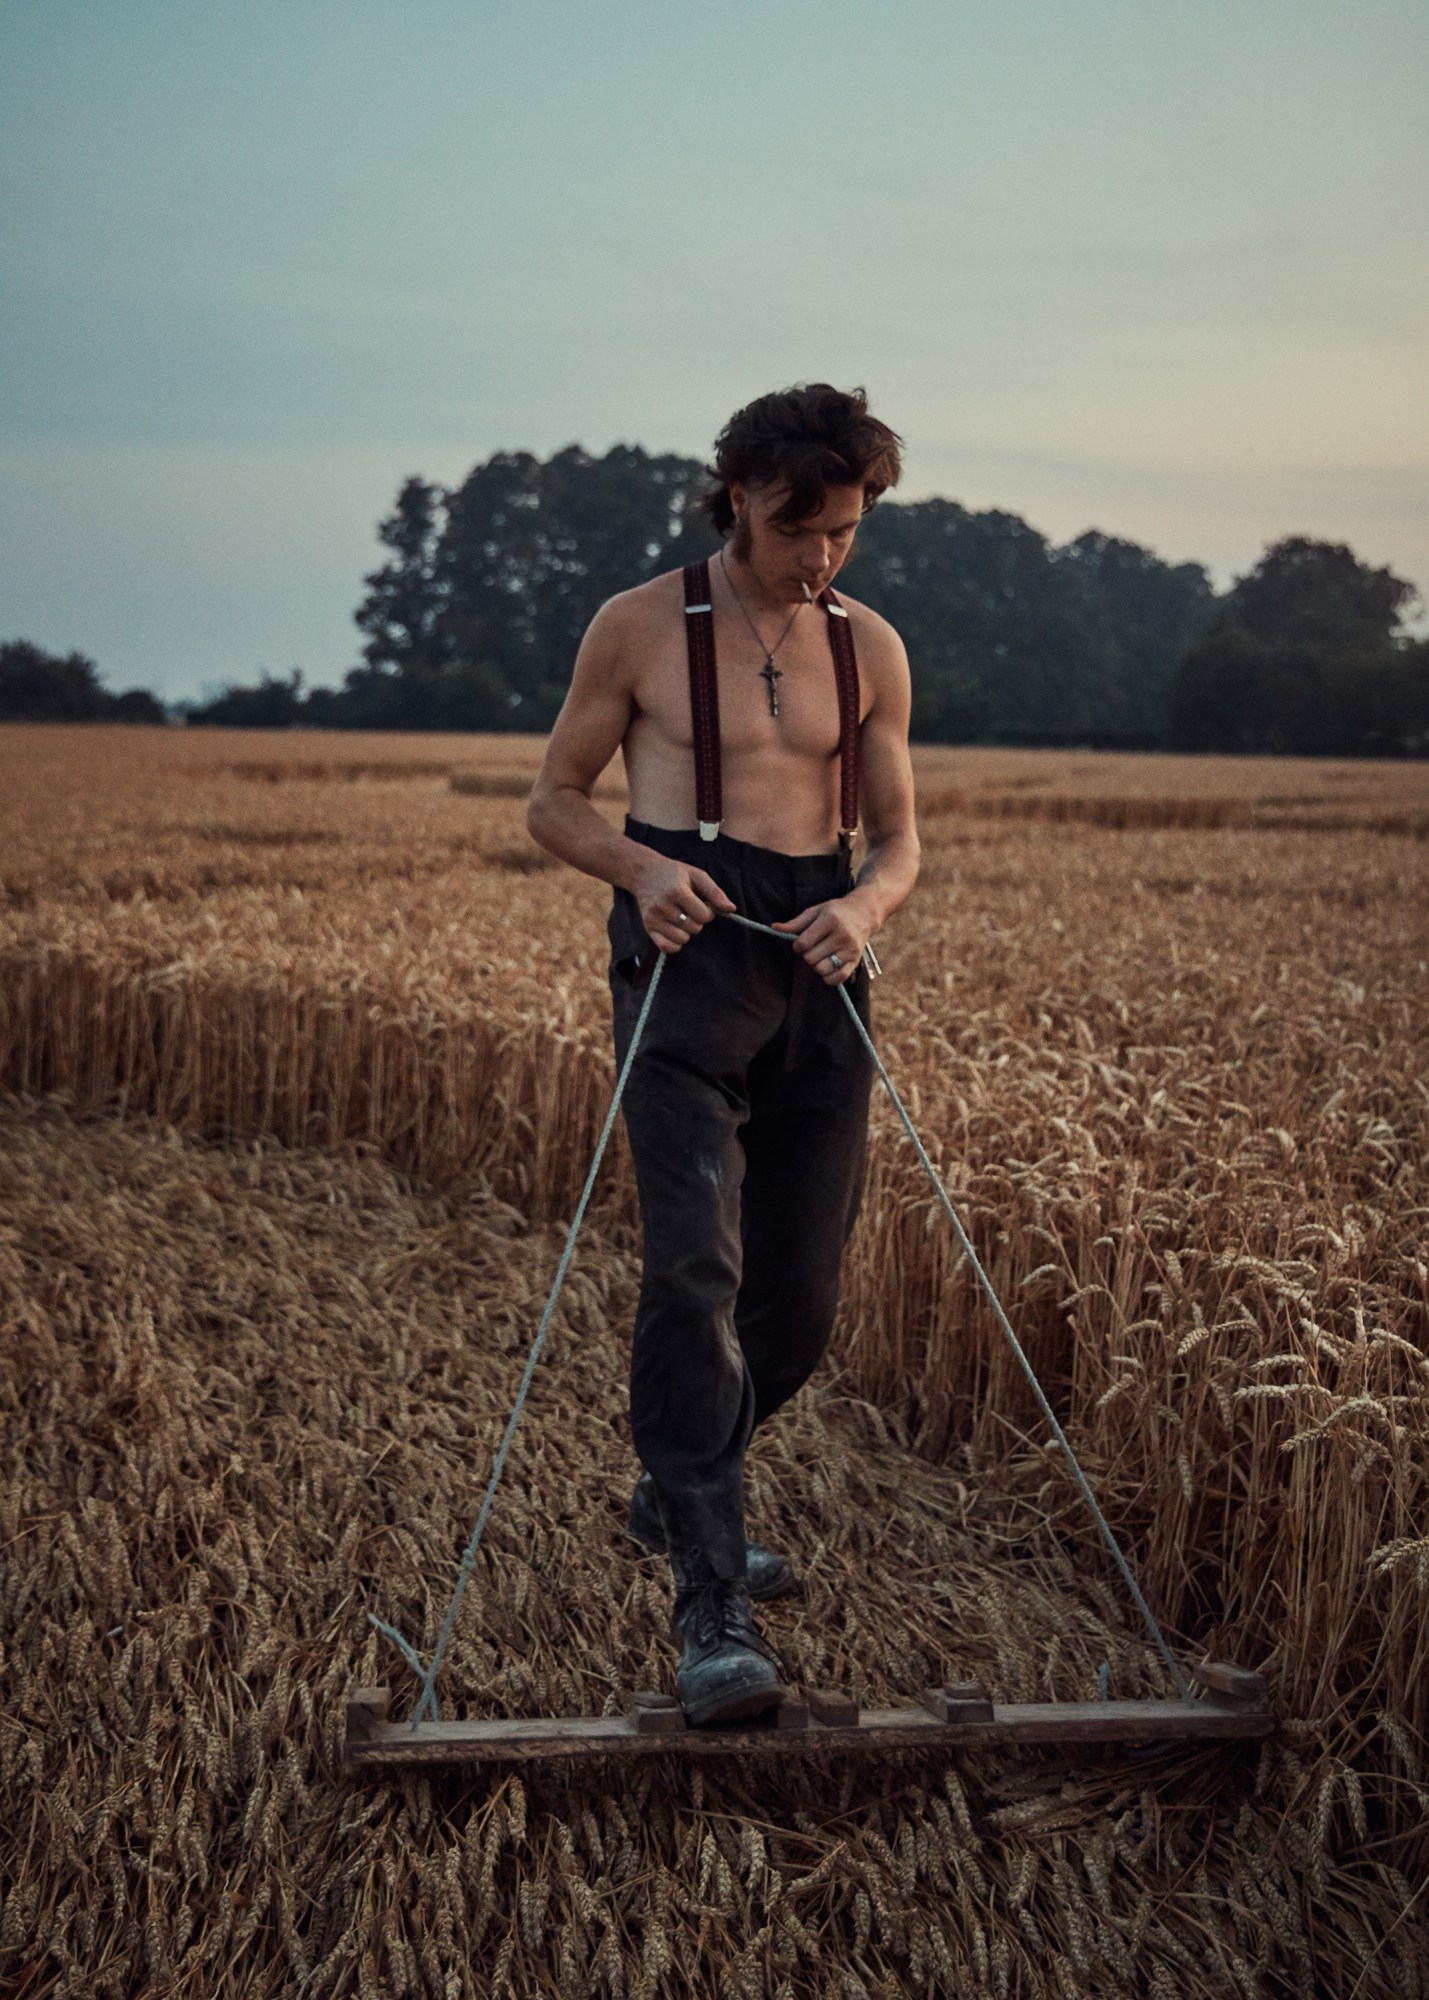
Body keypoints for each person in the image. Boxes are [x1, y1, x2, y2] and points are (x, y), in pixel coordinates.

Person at [526, 384, 920, 1725]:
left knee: (797, 1304)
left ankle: (676, 1483)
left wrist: (862, 908)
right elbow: (552, 802)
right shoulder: (636, 626)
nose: (823, 557)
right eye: (803, 527)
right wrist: (641, 869)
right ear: (743, 492)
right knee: (695, 1271)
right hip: (686, 966)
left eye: (847, 532)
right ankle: (710, 1603)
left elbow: (902, 843)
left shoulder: (869, 646)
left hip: (820, 965)